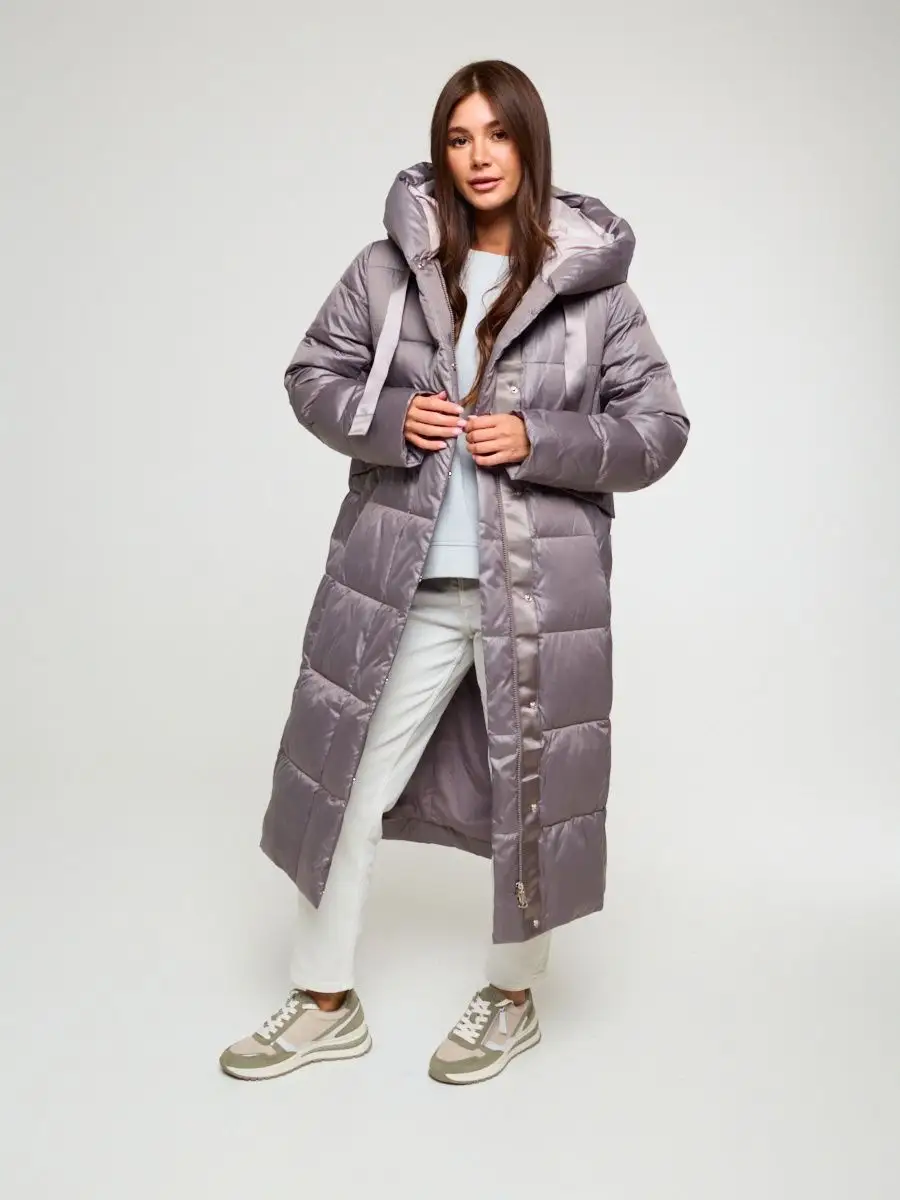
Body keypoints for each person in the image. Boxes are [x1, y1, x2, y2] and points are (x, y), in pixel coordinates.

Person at [219, 59, 689, 1086]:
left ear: (529, 144)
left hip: (538, 597)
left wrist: (540, 438)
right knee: (345, 783)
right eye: (460, 137)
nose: (479, 157)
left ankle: (511, 999)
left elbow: (659, 430)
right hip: (407, 584)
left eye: (498, 135)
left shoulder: (594, 289)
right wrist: (390, 418)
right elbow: (311, 374)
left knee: (533, 799)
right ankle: (323, 999)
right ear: (441, 151)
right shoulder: (388, 268)